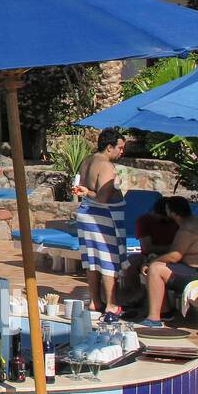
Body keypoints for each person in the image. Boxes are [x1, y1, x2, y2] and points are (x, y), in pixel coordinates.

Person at [140, 196, 198, 326]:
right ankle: (165, 312)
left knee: (155, 269)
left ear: (172, 213)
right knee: (157, 266)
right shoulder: (193, 223)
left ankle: (154, 319)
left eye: (167, 210)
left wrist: (151, 262)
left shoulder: (188, 227)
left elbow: (175, 256)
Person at [74, 129, 128, 313]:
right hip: (102, 216)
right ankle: (112, 304)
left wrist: (86, 192)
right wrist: (89, 192)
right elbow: (102, 197)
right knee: (107, 261)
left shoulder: (87, 160)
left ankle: (95, 301)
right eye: (120, 148)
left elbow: (80, 186)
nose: (122, 152)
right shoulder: (106, 166)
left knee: (92, 260)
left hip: (86, 214)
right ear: (109, 147)